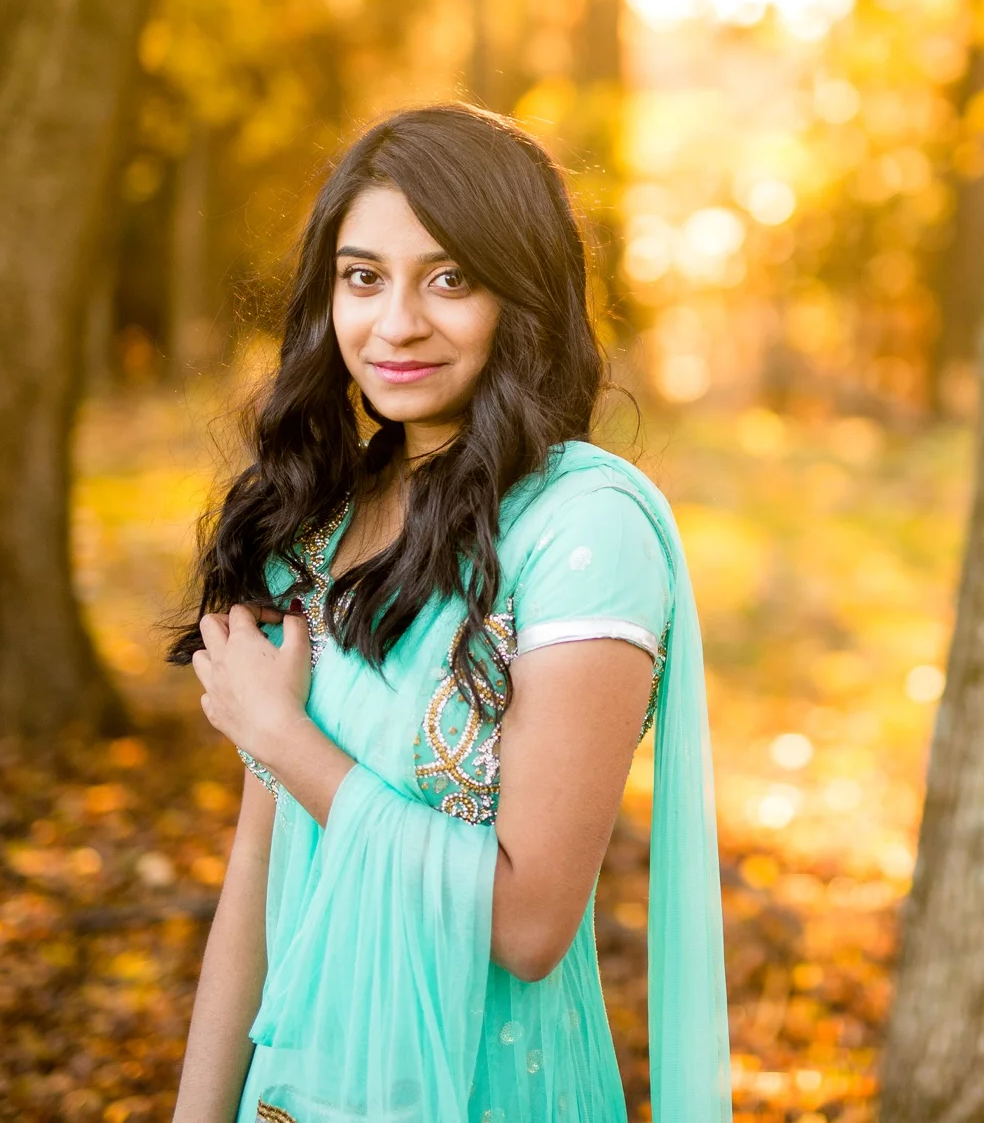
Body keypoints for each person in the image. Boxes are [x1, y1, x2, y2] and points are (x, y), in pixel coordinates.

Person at [166, 104, 732, 1123]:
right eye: (363, 275)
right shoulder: (321, 519)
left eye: (449, 278)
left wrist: (283, 736)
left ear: (522, 294)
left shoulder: (582, 530)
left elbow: (526, 919)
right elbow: (258, 872)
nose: (395, 323)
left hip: (488, 1090)